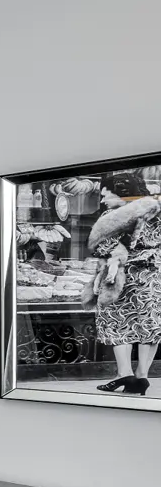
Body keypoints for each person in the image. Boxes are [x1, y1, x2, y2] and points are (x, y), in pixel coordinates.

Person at [90, 169, 161, 395]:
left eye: (106, 195)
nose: (102, 199)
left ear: (122, 194)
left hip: (119, 278)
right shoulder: (156, 214)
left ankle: (124, 373)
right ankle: (142, 376)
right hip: (151, 278)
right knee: (148, 325)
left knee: (117, 323)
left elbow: (101, 247)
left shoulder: (111, 217)